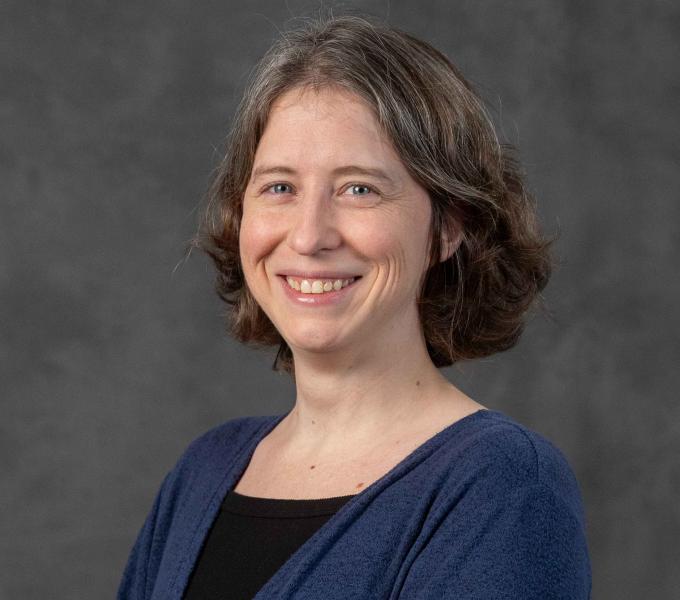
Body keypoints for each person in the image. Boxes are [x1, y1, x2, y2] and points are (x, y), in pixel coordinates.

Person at [117, 15, 591, 600]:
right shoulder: (203, 473)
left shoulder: (503, 484)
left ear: (447, 227)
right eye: (279, 187)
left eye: (358, 189)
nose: (310, 236)